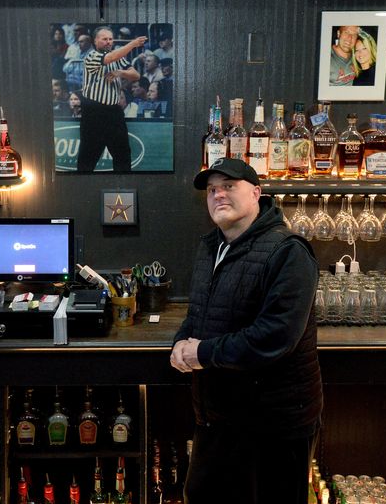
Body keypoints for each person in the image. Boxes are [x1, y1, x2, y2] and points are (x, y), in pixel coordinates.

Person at [171, 158, 322, 504]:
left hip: (273, 424)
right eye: (211, 190)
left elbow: (276, 335)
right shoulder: (211, 246)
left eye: (229, 186)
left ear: (256, 192)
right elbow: (201, 312)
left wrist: (202, 353)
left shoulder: (289, 251)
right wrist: (182, 340)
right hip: (219, 416)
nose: (218, 195)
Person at [77, 27, 147, 172]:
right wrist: (133, 44)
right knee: (88, 157)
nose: (108, 42)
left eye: (110, 39)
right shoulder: (91, 56)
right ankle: (82, 189)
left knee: (123, 154)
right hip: (93, 113)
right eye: (104, 39)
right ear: (95, 41)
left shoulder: (118, 58)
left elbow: (136, 76)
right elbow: (110, 58)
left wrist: (120, 72)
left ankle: (123, 186)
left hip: (114, 111)